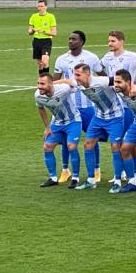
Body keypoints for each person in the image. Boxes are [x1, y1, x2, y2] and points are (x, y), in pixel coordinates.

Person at [65, 64, 125, 192]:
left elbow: (120, 81)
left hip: (115, 117)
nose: (76, 78)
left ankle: (118, 181)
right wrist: (50, 82)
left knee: (116, 146)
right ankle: (91, 180)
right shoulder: (78, 83)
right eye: (75, 75)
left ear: (88, 74)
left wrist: (133, 90)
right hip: (98, 117)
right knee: (88, 144)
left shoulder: (101, 81)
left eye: (78, 75)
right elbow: (66, 81)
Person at [54, 31, 104, 185]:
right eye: (69, 39)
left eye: (74, 39)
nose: (70, 41)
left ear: (82, 42)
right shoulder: (61, 59)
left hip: (88, 106)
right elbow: (55, 81)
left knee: (92, 138)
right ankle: (65, 170)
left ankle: (96, 170)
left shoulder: (92, 57)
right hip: (69, 108)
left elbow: (102, 76)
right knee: (65, 139)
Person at [101, 30, 136, 183]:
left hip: (128, 106)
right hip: (114, 106)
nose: (109, 44)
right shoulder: (106, 58)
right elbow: (102, 73)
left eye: (113, 41)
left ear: (121, 42)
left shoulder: (132, 58)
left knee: (130, 141)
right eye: (109, 41)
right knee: (117, 141)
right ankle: (120, 173)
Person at [35, 73, 82, 189]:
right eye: (38, 83)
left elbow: (74, 84)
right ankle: (53, 178)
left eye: (42, 84)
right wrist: (47, 127)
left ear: (51, 84)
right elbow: (40, 108)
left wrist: (62, 81)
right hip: (56, 123)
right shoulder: (38, 95)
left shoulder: (63, 90)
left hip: (73, 121)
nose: (39, 86)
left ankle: (75, 178)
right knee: (47, 147)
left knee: (71, 146)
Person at [27, 0, 57, 75]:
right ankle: (41, 80)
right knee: (40, 64)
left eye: (42, 6)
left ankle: (47, 80)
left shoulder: (51, 17)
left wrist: (43, 31)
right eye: (39, 6)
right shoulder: (33, 16)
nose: (40, 8)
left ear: (46, 7)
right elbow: (29, 32)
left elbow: (54, 33)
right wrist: (33, 30)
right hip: (36, 41)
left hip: (46, 41)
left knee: (45, 61)